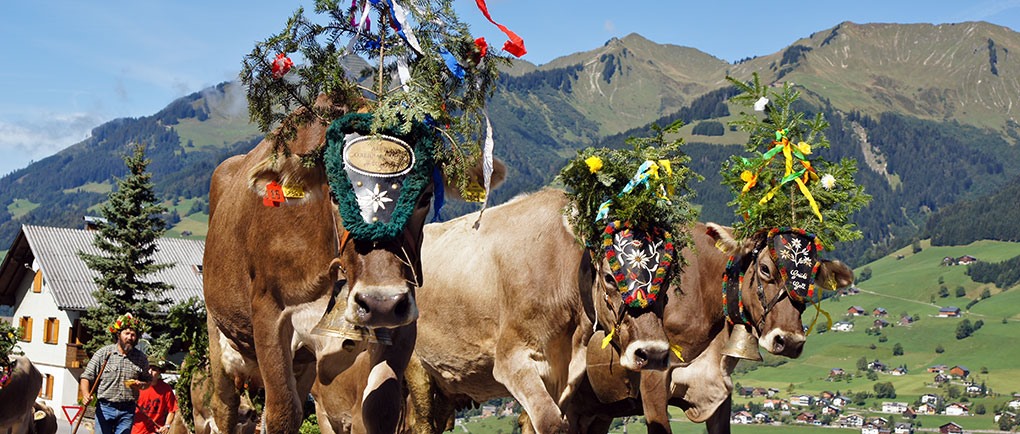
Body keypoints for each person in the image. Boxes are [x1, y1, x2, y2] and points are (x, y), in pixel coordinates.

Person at [80, 313, 151, 434]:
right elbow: (87, 377)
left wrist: (141, 385)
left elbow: (148, 381)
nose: (130, 337)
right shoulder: (104, 353)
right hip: (105, 408)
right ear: (119, 334)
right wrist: (86, 394)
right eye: (126, 333)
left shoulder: (141, 358)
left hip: (127, 410)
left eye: (133, 335)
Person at [131, 358, 178, 434]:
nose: (150, 372)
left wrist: (167, 426)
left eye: (154, 369)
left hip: (156, 431)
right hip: (136, 431)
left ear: (159, 372)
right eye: (148, 368)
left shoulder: (166, 389)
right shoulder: (138, 386)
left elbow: (172, 410)